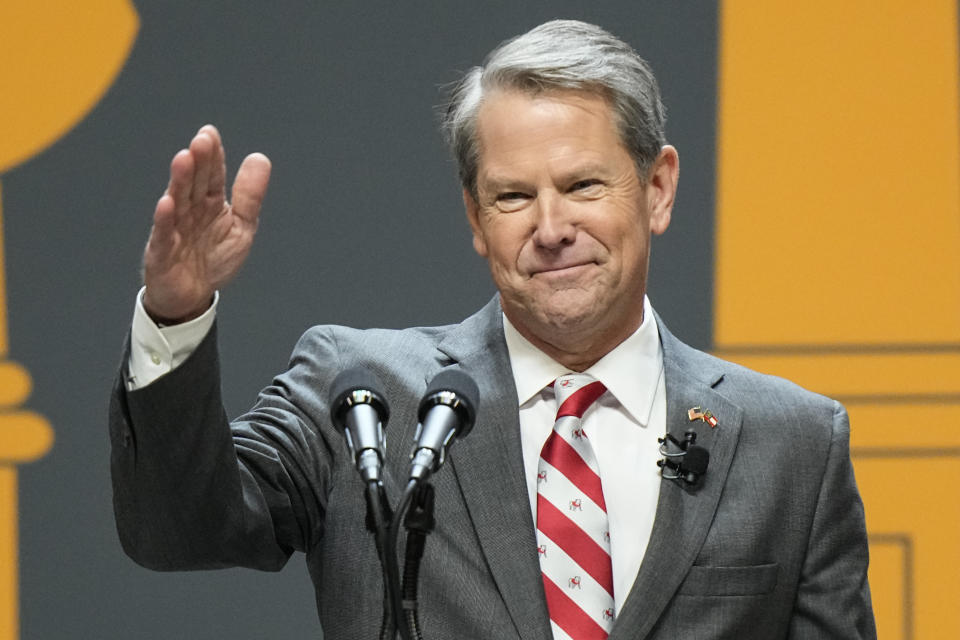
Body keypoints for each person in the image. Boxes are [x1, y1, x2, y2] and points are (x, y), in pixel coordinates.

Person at [110, 19, 876, 639]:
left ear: (658, 187)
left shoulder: (793, 443)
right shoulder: (362, 397)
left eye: (582, 185)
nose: (551, 227)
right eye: (513, 196)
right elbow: (177, 532)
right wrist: (175, 314)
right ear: (476, 217)